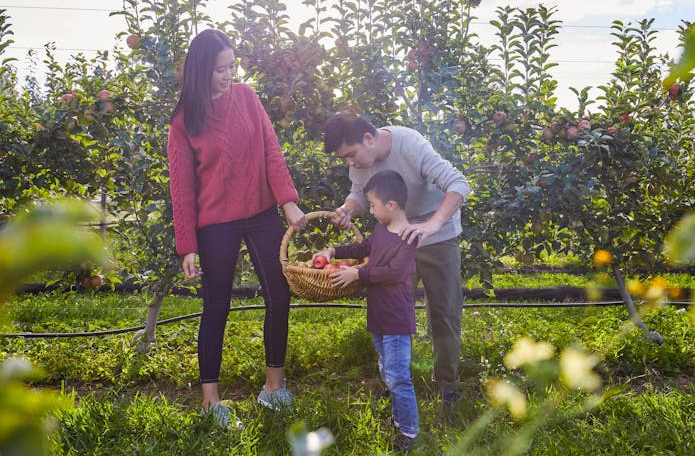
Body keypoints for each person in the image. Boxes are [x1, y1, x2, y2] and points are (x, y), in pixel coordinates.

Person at [167, 28, 307, 428]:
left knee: (279, 295)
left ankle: (273, 390)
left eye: (232, 66)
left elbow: (271, 150)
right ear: (200, 70)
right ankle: (212, 404)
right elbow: (183, 188)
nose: (229, 74)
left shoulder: (247, 97)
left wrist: (288, 201)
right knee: (217, 308)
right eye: (220, 69)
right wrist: (187, 245)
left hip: (262, 212)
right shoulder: (184, 121)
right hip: (216, 223)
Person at [323, 112, 470, 407]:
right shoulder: (359, 163)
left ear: (368, 138)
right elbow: (359, 194)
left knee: (443, 312)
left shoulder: (410, 144)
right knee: (390, 312)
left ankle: (447, 385)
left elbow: (458, 184)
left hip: (436, 237)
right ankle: (395, 380)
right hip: (393, 237)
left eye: (351, 154)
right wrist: (348, 209)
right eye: (344, 159)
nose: (350, 163)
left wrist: (432, 224)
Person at [314, 170, 419, 453]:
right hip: (379, 316)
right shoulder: (382, 230)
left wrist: (357, 274)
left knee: (399, 376)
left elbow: (394, 273)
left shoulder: (409, 238)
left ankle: (409, 433)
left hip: (397, 319)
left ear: (391, 206)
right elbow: (363, 247)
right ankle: (398, 416)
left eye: (372, 205)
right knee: (387, 369)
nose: (369, 210)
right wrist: (334, 251)